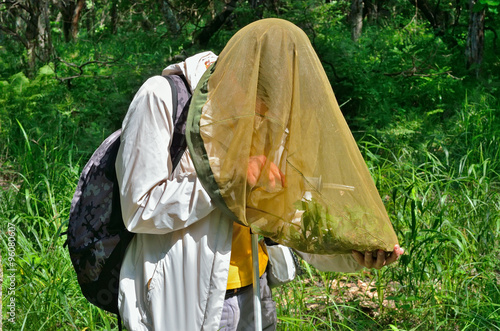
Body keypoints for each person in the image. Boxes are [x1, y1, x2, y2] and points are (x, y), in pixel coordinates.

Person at [115, 18, 404, 331]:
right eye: (263, 100)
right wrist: (232, 177)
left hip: (256, 290)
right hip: (183, 298)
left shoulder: (268, 120)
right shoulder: (161, 97)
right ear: (240, 75)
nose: (267, 114)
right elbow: (138, 208)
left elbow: (289, 223)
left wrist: (352, 252)